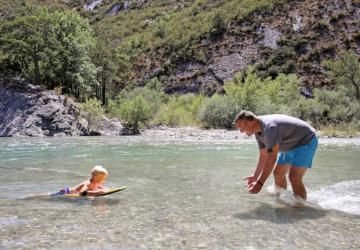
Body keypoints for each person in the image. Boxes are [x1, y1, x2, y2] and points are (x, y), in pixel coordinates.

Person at [234, 110, 318, 200]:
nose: (241, 132)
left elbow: (271, 158)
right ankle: (280, 200)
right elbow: (263, 156)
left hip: (306, 141)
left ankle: (300, 207)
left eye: (241, 128)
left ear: (250, 122)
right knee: (278, 173)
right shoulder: (258, 131)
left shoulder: (270, 128)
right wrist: (255, 177)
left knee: (294, 177)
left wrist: (260, 183)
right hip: (290, 143)